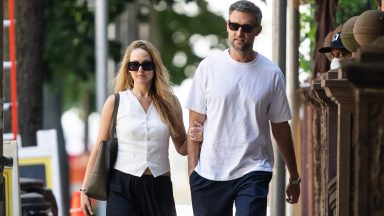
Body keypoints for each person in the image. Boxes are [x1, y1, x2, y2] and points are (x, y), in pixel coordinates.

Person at [185, 1, 300, 215]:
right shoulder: (207, 68)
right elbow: (195, 124)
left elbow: (281, 128)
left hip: (253, 170)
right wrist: (192, 172)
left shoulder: (271, 74)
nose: (239, 32)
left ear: (257, 30)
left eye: (247, 27)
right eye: (234, 25)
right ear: (227, 26)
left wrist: (294, 176)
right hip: (210, 172)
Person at [80, 40, 203, 216]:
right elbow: (99, 146)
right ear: (127, 69)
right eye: (134, 65)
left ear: (155, 68)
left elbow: (182, 147)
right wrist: (85, 190)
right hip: (122, 185)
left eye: (146, 64)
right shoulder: (115, 102)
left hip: (159, 186)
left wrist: (194, 135)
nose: (140, 70)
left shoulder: (170, 103)